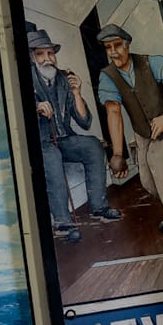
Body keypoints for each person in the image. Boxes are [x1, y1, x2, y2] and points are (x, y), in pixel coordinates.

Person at [95, 23, 163, 255]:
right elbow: (114, 113)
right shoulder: (107, 76)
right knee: (149, 181)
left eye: (117, 45)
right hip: (144, 134)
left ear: (127, 44)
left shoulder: (152, 62)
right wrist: (118, 154)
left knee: (159, 162)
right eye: (108, 48)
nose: (114, 52)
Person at [29, 27, 121, 243]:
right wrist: (35, 106)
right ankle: (62, 222)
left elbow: (85, 122)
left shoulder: (62, 80)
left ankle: (99, 207)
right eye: (40, 54)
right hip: (40, 142)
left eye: (50, 53)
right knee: (52, 157)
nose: (47, 59)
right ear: (32, 57)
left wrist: (77, 93)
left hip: (63, 138)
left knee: (92, 145)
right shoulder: (26, 81)